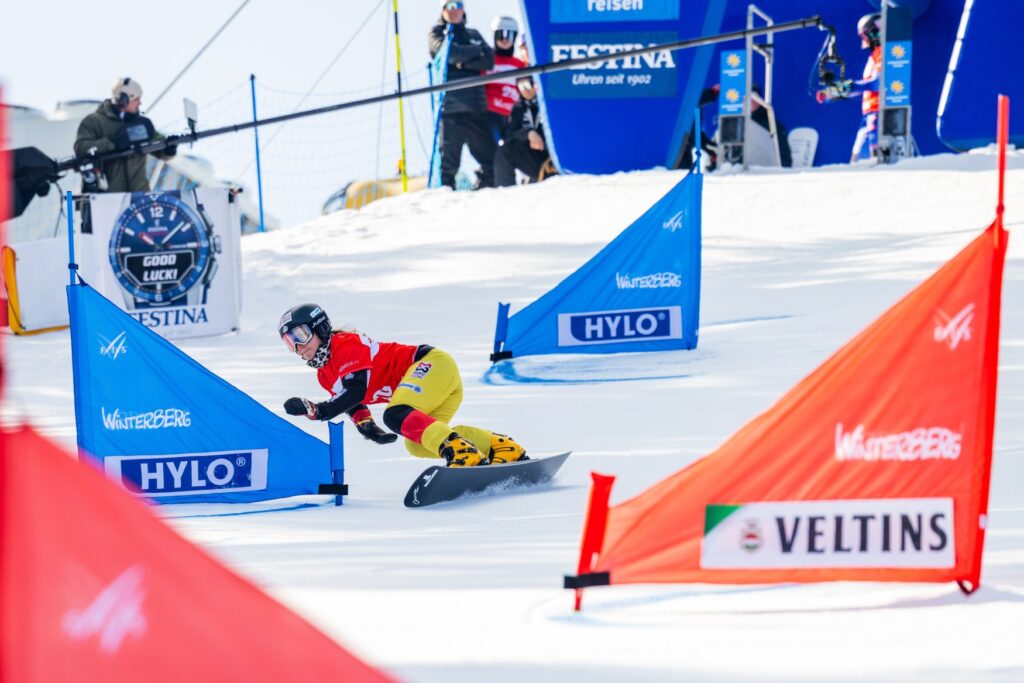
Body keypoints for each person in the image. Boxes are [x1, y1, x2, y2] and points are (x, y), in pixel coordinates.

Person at [279, 303, 527, 468]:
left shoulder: (345, 344)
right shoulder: (324, 375)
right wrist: (367, 426)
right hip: (433, 387)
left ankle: (463, 454)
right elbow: (352, 401)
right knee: (417, 444)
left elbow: (356, 389)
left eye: (300, 335)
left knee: (396, 414)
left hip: (432, 365)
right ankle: (499, 446)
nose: (298, 346)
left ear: (320, 327)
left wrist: (319, 410)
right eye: (290, 342)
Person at [429, 0, 497, 190]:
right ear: (442, 10)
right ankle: (445, 200)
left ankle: (482, 192)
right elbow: (448, 54)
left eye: (457, 5)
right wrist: (474, 54)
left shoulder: (473, 34)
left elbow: (489, 60)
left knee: (490, 157)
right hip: (451, 108)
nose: (454, 10)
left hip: (476, 106)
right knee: (449, 164)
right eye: (449, 6)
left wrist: (462, 63)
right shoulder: (437, 33)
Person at [73, 77, 176, 192]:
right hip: (108, 200)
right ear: (123, 100)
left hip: (140, 197)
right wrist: (113, 143)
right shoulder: (93, 122)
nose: (139, 103)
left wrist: (169, 149)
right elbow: (81, 148)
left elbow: (158, 145)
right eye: (136, 99)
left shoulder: (141, 124)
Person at [816, 14, 883, 163]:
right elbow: (866, 90)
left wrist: (847, 87)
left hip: (878, 115)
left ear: (874, 32)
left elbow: (877, 84)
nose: (863, 40)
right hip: (869, 115)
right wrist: (834, 93)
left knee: (877, 163)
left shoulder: (885, 53)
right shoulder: (874, 55)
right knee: (856, 162)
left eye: (864, 35)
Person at [485, 16, 526, 187]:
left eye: (509, 35)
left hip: (513, 116)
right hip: (491, 114)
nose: (504, 39)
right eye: (501, 34)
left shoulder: (519, 64)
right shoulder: (487, 61)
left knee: (513, 147)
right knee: (495, 150)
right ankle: (494, 184)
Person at [496, 76, 556, 185]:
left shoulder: (549, 103)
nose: (525, 90)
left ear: (535, 84)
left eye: (528, 85)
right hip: (533, 157)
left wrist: (540, 136)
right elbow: (510, 135)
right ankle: (505, 192)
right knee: (505, 149)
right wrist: (528, 133)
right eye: (521, 87)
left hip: (553, 155)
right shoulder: (519, 109)